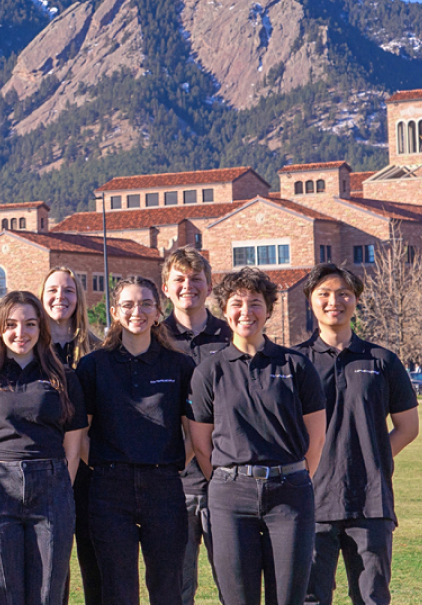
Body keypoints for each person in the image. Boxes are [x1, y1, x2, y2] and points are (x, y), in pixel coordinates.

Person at [189, 268, 326, 605]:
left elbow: (316, 440)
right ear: (224, 310)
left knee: (289, 598)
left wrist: (291, 478)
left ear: (269, 310)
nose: (246, 312)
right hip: (230, 497)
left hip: (290, 495)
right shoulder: (210, 370)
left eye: (255, 303)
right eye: (237, 303)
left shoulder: (296, 365)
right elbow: (202, 445)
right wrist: (232, 481)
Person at [295, 263, 419, 605]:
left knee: (372, 597)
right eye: (324, 294)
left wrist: (373, 458)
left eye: (343, 294)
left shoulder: (383, 360)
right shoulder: (295, 362)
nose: (334, 301)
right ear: (311, 301)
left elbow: (408, 428)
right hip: (310, 500)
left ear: (356, 301)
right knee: (310, 598)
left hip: (370, 501)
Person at [0, 290, 87, 605]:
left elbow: (73, 447)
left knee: (48, 596)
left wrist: (58, 487)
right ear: (0, 329)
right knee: (4, 596)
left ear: (41, 329)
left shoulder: (62, 377)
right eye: (12, 324)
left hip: (51, 490)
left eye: (30, 324)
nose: (21, 333)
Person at [77, 277, 196, 605]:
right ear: (115, 312)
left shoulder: (180, 365)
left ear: (159, 312)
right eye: (128, 305)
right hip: (109, 491)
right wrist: (105, 466)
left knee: (167, 588)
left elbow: (194, 433)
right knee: (117, 590)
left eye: (146, 304)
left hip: (164, 488)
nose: (137, 312)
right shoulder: (93, 366)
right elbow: (80, 435)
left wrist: (169, 463)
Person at [160, 247, 230, 605]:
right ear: (166, 288)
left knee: (235, 585)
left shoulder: (232, 335)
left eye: (196, 279)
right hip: (176, 485)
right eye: (180, 280)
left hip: (230, 480)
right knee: (176, 587)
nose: (189, 286)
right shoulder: (154, 340)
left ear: (210, 284)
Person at [39, 267, 102, 605]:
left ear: (79, 298)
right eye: (52, 290)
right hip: (46, 472)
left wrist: (86, 455)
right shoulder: (30, 350)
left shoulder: (97, 351)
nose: (60, 297)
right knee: (52, 569)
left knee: (96, 566)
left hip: (91, 472)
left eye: (68, 290)